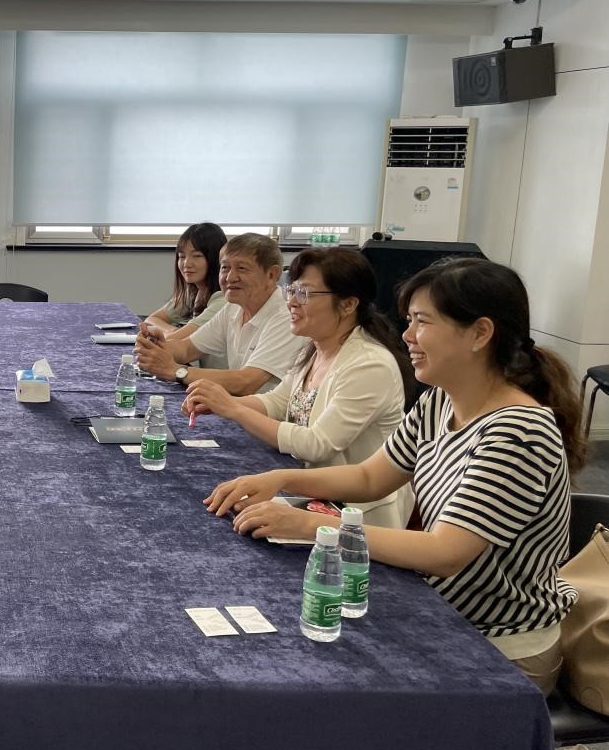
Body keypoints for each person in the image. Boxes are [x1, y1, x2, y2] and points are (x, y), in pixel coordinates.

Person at [206, 258, 584, 694]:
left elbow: (446, 552)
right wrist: (279, 479)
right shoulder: (440, 401)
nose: (407, 335)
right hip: (440, 612)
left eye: (422, 322)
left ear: (480, 333)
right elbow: (371, 477)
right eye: (409, 321)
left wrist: (309, 525)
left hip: (496, 648)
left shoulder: (518, 431)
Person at [184, 247, 416, 527]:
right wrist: (220, 403)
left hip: (359, 517)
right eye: (291, 291)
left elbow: (317, 444)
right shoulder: (315, 347)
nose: (291, 302)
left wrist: (233, 409)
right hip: (314, 494)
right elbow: (277, 402)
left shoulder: (369, 365)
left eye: (304, 293)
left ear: (348, 305)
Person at [134, 232, 301, 394]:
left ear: (272, 275)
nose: (230, 277)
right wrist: (155, 348)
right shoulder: (233, 308)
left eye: (242, 268)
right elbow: (186, 349)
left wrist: (175, 371)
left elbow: (246, 382)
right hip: (237, 406)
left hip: (263, 412)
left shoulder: (287, 316)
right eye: (225, 268)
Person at [142, 224, 228, 367]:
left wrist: (169, 333)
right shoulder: (194, 292)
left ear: (216, 259)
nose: (187, 263)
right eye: (182, 256)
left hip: (221, 378)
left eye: (197, 256)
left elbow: (173, 341)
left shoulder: (223, 300)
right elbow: (151, 320)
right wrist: (170, 330)